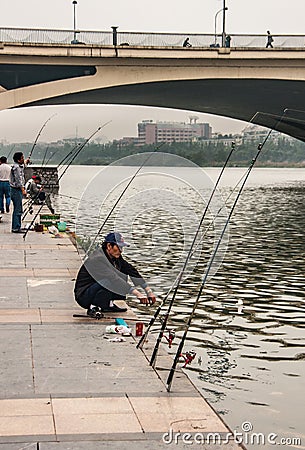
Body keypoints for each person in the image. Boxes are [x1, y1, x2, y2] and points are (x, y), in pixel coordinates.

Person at [74, 232, 156, 317]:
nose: (121, 250)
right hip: (84, 295)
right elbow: (113, 278)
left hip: (97, 287)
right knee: (109, 281)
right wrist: (137, 294)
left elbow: (131, 270)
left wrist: (148, 290)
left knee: (123, 274)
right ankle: (93, 307)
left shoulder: (115, 257)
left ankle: (109, 304)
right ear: (109, 246)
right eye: (119, 247)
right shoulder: (98, 259)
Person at [9, 152, 28, 233]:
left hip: (16, 190)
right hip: (16, 190)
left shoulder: (17, 166)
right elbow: (18, 179)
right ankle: (16, 227)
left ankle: (17, 226)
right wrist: (23, 189)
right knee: (18, 209)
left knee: (18, 208)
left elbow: (22, 168)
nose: (23, 159)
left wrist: (25, 162)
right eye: (22, 158)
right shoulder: (16, 168)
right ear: (18, 159)